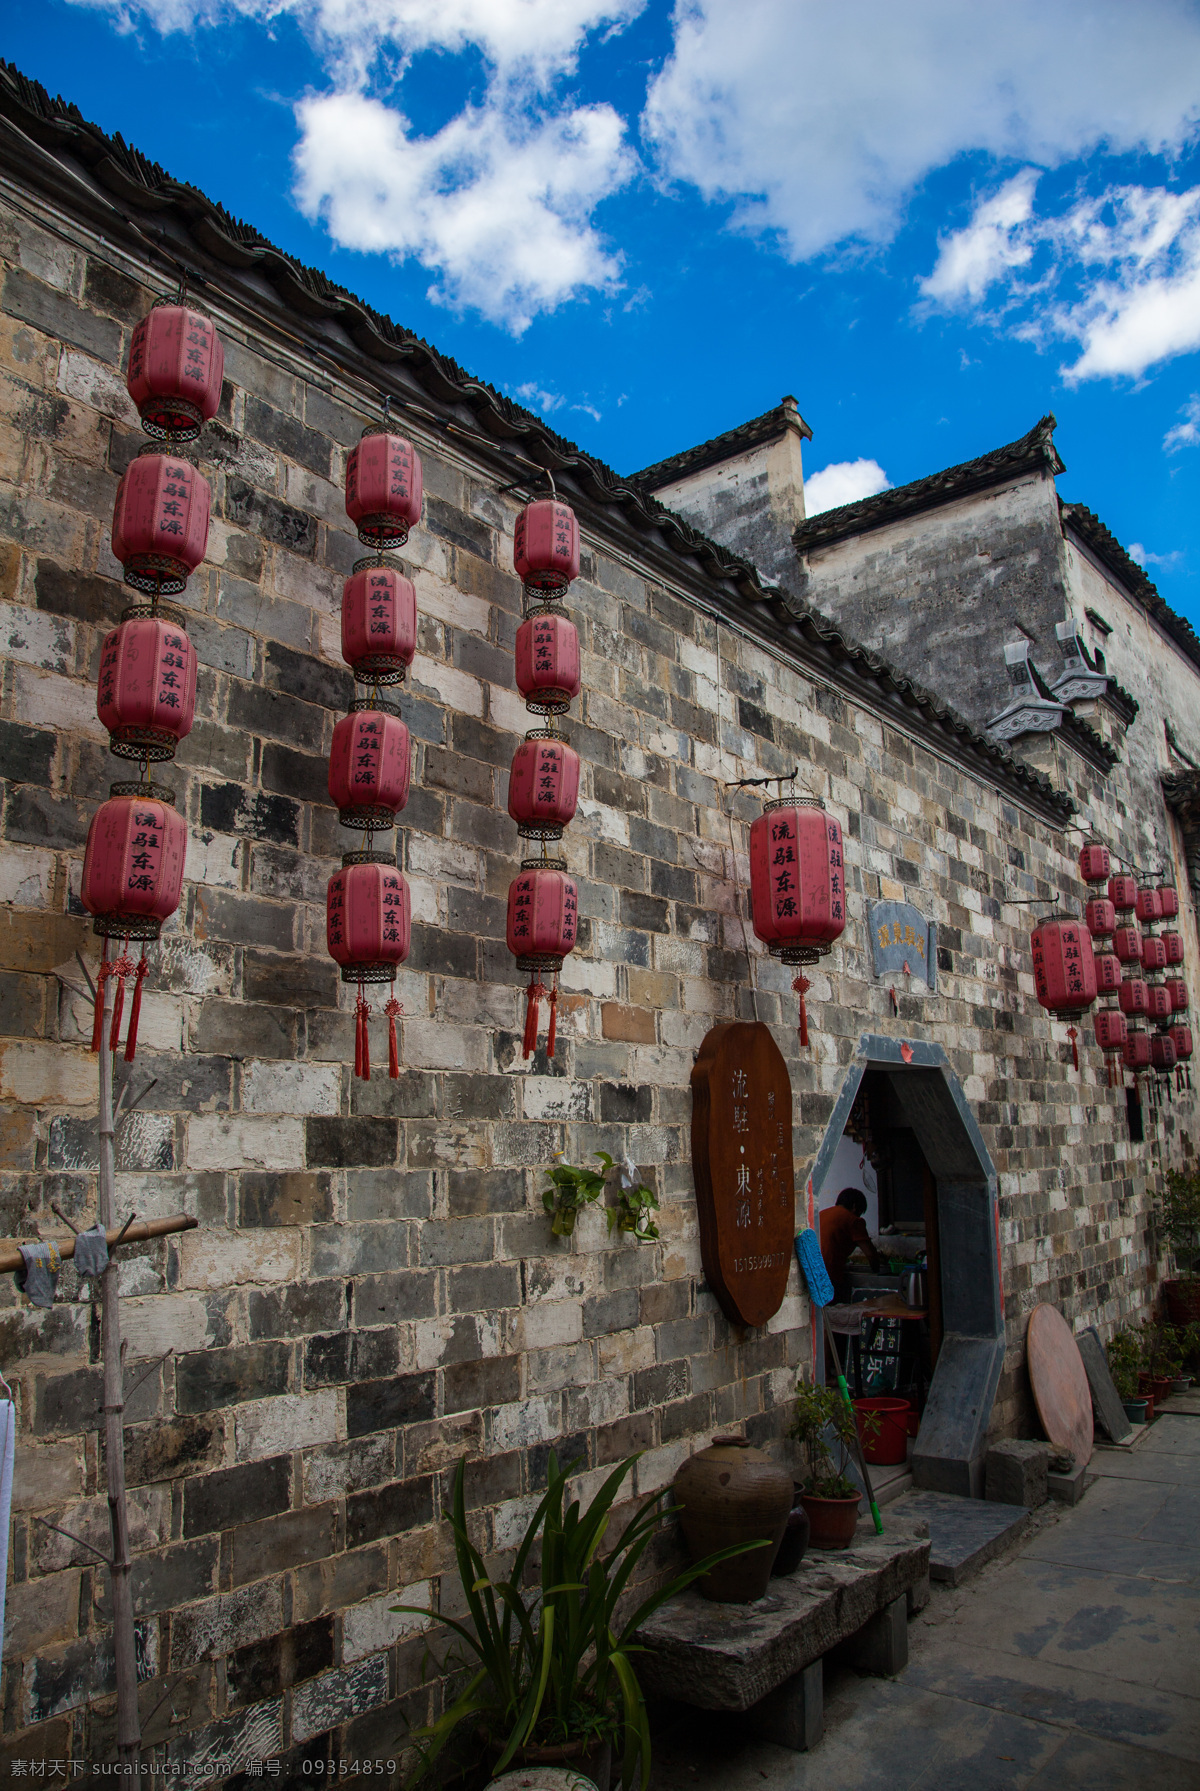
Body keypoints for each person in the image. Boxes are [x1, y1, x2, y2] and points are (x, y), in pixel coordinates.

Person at [820, 1188, 882, 1304]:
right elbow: (870, 1254)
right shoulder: (853, 1220)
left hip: (813, 1272)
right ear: (854, 1206)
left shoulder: (822, 1214)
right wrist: (877, 1271)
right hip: (830, 1274)